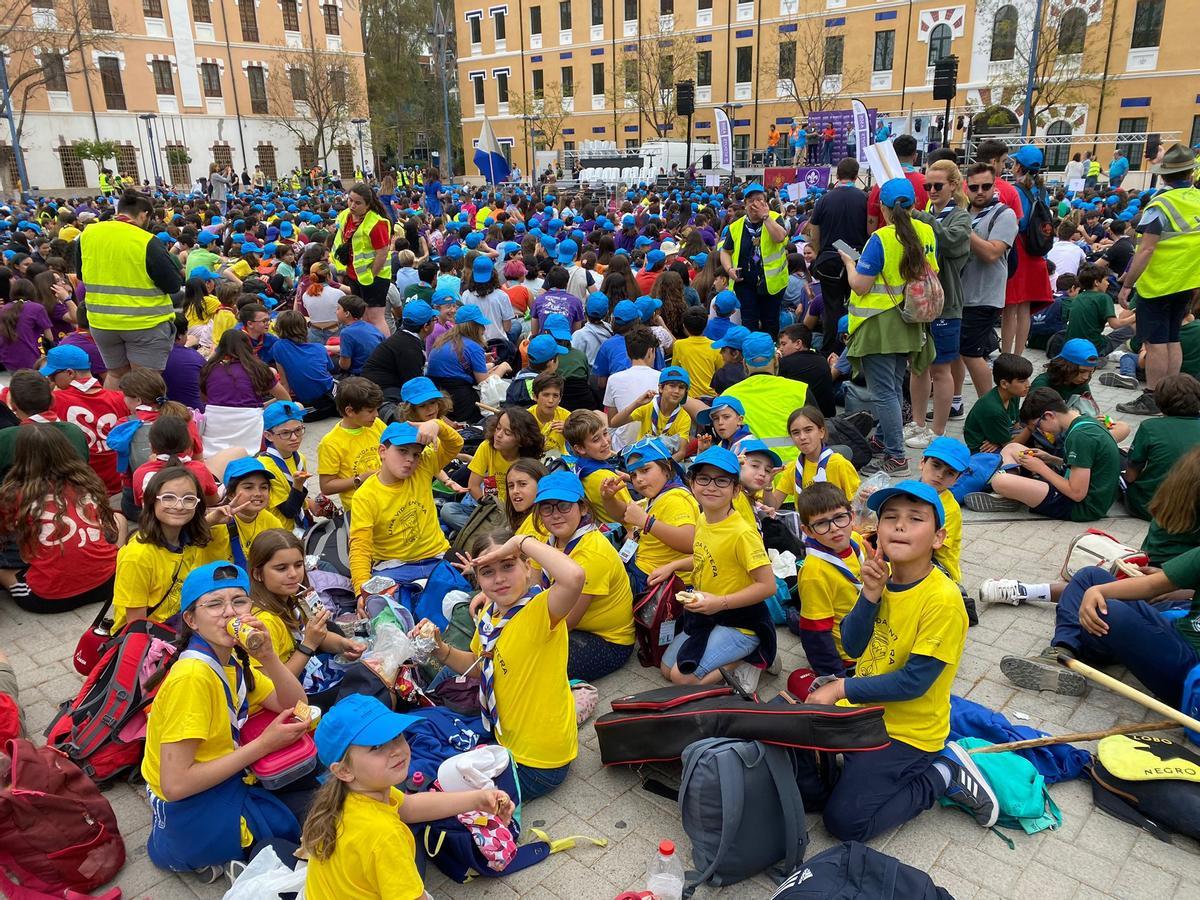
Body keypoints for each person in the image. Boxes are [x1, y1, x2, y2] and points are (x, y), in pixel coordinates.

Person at [805, 481, 993, 842]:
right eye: (890, 518)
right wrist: (870, 594)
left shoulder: (942, 600)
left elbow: (914, 682)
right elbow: (855, 646)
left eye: (914, 519)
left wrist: (840, 687)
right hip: (863, 713)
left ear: (938, 538)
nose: (899, 526)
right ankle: (860, 765)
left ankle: (943, 772)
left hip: (908, 733)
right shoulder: (883, 578)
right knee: (801, 770)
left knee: (844, 823)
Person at [141, 562, 310, 875]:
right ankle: (220, 859)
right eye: (215, 604)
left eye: (239, 601)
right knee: (313, 816)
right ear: (191, 620)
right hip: (189, 806)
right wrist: (264, 745)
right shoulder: (193, 677)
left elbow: (298, 705)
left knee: (316, 783)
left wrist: (269, 658)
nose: (230, 612)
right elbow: (176, 784)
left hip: (223, 776)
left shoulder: (233, 659)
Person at [420, 528, 585, 800]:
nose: (498, 579)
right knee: (433, 758)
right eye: (487, 572)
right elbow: (477, 663)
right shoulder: (491, 610)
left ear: (527, 566)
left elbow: (574, 577)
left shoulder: (540, 610)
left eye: (508, 566)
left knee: (445, 796)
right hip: (504, 737)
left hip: (539, 762)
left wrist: (520, 541)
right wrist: (440, 649)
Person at [302, 694, 512, 900]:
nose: (395, 750)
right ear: (344, 771)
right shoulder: (385, 835)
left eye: (396, 736)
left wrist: (478, 799)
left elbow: (408, 806)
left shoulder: (352, 793)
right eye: (376, 746)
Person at [996, 554, 1200, 708]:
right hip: (1177, 625)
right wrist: (1096, 591)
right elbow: (1150, 585)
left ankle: (1087, 644)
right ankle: (1062, 652)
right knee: (1090, 578)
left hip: (1191, 670)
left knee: (1108, 611)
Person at [650, 448, 776, 692]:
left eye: (721, 481)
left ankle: (753, 656)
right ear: (692, 483)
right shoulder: (703, 519)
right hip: (709, 614)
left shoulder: (742, 534)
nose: (711, 487)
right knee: (666, 669)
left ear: (735, 489)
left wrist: (721, 602)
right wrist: (673, 566)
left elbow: (767, 586)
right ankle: (731, 656)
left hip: (742, 621)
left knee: (682, 679)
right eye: (704, 479)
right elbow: (704, 557)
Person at [839, 177, 937, 477]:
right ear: (914, 204)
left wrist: (848, 262)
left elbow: (861, 284)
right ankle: (883, 440)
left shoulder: (881, 239)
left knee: (885, 393)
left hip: (879, 325)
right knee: (893, 388)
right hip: (910, 322)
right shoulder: (926, 231)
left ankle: (896, 457)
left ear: (883, 207)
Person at [520, 471, 636, 680]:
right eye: (547, 508)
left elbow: (568, 620)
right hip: (566, 621)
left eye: (564, 505)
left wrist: (522, 633)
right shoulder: (548, 537)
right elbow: (533, 585)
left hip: (607, 640)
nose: (556, 514)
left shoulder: (592, 553)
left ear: (582, 507)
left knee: (534, 667)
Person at [1114, 144, 1200, 416]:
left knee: (1155, 342)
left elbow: (1147, 248)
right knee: (1173, 338)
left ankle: (1153, 395)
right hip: (1187, 281)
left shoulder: (1160, 203)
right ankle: (1175, 396)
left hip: (1159, 282)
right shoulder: (1197, 199)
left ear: (1164, 176)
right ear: (1191, 173)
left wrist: (1128, 284)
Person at [0, 426, 119, 613]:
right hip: (110, 583)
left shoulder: (13, 493)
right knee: (118, 517)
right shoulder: (87, 479)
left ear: (21, 456)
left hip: (48, 599)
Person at [77, 190, 183, 389]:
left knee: (116, 374)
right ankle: (145, 420)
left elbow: (82, 275)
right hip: (144, 323)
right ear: (143, 215)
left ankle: (112, 418)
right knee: (145, 381)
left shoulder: (88, 234)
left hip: (102, 322)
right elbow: (172, 284)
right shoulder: (146, 241)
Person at [966, 387, 1120, 520]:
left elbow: (1077, 493)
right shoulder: (1083, 422)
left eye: (1037, 425)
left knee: (999, 481)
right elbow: (1085, 465)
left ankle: (1008, 494)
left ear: (1048, 415)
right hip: (1083, 491)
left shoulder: (1080, 437)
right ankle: (1009, 496)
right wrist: (1051, 459)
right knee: (1011, 448)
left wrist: (1040, 467)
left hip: (1081, 507)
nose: (1040, 431)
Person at [347, 419, 464, 595]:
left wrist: (437, 425)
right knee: (382, 610)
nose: (410, 459)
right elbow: (360, 546)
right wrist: (361, 590)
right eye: (402, 451)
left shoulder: (423, 467)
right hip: (393, 566)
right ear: (382, 451)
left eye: (416, 454)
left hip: (436, 556)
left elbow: (455, 444)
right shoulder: (365, 496)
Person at [111, 466, 232, 634]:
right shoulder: (137, 556)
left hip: (180, 626)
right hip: (151, 640)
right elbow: (136, 627)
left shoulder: (187, 540)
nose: (179, 505)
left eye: (188, 499)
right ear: (152, 501)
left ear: (197, 505)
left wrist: (214, 520)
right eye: (168, 498)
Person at [906, 159, 971, 449]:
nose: (931, 190)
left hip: (946, 305)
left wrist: (920, 218)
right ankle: (917, 423)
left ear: (954, 186)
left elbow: (951, 243)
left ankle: (938, 430)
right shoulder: (926, 215)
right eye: (927, 186)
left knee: (941, 369)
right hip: (919, 303)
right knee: (918, 367)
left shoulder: (960, 216)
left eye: (937, 185)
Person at [247, 528, 364, 680]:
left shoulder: (293, 600)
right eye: (281, 568)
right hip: (290, 693)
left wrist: (345, 645)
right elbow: (271, 687)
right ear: (258, 574)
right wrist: (308, 645)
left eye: (298, 565)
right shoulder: (263, 622)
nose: (293, 574)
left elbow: (318, 637)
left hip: (308, 675)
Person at [956, 164, 1019, 406]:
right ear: (966, 187)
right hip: (958, 294)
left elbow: (993, 252)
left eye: (986, 186)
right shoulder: (963, 211)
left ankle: (990, 408)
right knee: (956, 354)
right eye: (973, 187)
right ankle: (956, 400)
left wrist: (964, 231)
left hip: (984, 295)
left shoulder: (1004, 214)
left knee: (972, 354)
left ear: (995, 186)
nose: (979, 191)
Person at [791, 483, 864, 688]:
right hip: (848, 658)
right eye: (821, 523)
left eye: (840, 517)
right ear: (808, 531)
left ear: (851, 515)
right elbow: (815, 634)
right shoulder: (814, 572)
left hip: (871, 638)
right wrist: (835, 679)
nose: (834, 528)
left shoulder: (856, 540)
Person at [440, 408, 543, 532]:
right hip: (490, 507)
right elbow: (473, 486)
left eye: (507, 433)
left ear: (521, 440)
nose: (498, 435)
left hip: (516, 512)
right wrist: (489, 507)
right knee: (448, 510)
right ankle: (488, 534)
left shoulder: (528, 460)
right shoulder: (487, 447)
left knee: (513, 528)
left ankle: (476, 533)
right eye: (498, 428)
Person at [44, 344, 127, 495]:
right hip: (119, 484)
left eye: (52, 376)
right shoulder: (120, 398)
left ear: (70, 373)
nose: (52, 381)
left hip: (82, 488)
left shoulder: (55, 400)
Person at [807, 157, 868, 351]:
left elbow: (814, 230)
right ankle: (855, 348)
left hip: (830, 257)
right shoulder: (864, 198)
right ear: (856, 176)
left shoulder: (824, 199)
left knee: (832, 308)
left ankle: (831, 350)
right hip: (858, 258)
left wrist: (818, 252)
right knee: (857, 305)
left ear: (837, 175)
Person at [1124, 374, 1200, 520]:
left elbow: (1131, 476)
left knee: (1119, 460)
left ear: (1159, 402)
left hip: (1151, 507)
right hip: (1193, 511)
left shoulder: (1150, 427)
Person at [1001, 145, 1052, 356]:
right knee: (1025, 310)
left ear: (1019, 166)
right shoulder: (1042, 191)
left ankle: (1005, 355)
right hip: (1037, 253)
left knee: (1009, 309)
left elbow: (1016, 223)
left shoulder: (1015, 190)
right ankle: (1018, 355)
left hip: (1019, 250)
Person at [720, 183, 791, 335]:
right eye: (751, 200)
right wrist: (729, 269)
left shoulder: (775, 218)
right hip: (745, 284)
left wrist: (765, 216)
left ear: (765, 203)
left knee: (770, 322)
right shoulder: (736, 226)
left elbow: (780, 237)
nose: (755, 204)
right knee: (748, 322)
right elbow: (725, 251)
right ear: (745, 204)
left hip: (772, 283)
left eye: (759, 200)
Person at [426, 305, 509, 423]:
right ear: (474, 327)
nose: (484, 329)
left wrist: (486, 365)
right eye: (481, 325)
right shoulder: (474, 347)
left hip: (436, 395)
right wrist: (502, 367)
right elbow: (484, 384)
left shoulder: (443, 340)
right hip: (459, 400)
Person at [331, 183, 393, 337]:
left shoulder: (376, 223)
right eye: (350, 200)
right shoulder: (345, 215)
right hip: (354, 274)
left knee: (375, 318)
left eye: (358, 203)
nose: (352, 205)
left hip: (375, 277)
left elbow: (382, 253)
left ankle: (384, 349)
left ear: (368, 204)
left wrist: (372, 275)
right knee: (362, 316)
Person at [766, 406, 860, 507]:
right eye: (796, 433)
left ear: (821, 432)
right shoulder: (793, 468)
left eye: (808, 430)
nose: (802, 437)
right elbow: (773, 506)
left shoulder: (839, 463)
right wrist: (767, 484)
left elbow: (856, 504)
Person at [316, 376, 385, 513]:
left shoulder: (376, 424)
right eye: (370, 411)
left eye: (377, 409)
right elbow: (326, 487)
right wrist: (360, 479)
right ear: (350, 411)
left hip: (388, 497)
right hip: (361, 508)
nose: (376, 415)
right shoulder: (330, 443)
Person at [361, 300, 435, 416]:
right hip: (380, 393)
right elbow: (414, 385)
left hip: (375, 386)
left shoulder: (403, 338)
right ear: (426, 326)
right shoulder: (409, 348)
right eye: (434, 320)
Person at [608, 365, 692, 459]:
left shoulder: (684, 418)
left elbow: (681, 452)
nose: (676, 391)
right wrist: (637, 403)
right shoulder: (648, 406)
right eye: (672, 386)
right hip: (642, 457)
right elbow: (614, 423)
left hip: (668, 461)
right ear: (661, 388)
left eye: (681, 387)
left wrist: (662, 466)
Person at [564, 408, 632, 524]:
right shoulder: (608, 479)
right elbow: (632, 514)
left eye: (605, 433)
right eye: (596, 440)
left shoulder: (579, 466)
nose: (605, 442)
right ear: (580, 448)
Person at [602, 326, 663, 452]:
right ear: (651, 351)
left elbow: (611, 421)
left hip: (622, 447)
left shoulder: (614, 379)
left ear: (628, 353)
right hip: (654, 445)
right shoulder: (662, 378)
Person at [259, 401, 316, 531]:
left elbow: (301, 498)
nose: (294, 437)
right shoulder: (265, 467)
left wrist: (312, 503)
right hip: (281, 531)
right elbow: (289, 511)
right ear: (268, 436)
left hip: (303, 524)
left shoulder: (300, 458)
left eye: (298, 430)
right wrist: (297, 485)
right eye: (285, 433)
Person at [962, 352, 1033, 453]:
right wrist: (1030, 428)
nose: (1028, 385)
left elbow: (1016, 424)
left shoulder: (1014, 394)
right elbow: (1009, 447)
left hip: (1001, 436)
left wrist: (1001, 440)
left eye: (1027, 379)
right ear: (1004, 384)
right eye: (1022, 381)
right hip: (982, 448)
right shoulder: (993, 409)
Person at [1063, 262, 1135, 358]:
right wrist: (1135, 317)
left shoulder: (1077, 297)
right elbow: (1115, 325)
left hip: (1071, 347)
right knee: (1130, 328)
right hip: (1093, 347)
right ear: (1096, 282)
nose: (1108, 283)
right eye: (1106, 280)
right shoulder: (1103, 297)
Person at [865, 135, 928, 233]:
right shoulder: (929, 185)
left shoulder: (881, 184)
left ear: (893, 155)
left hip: (885, 243)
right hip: (920, 242)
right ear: (915, 156)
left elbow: (871, 228)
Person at [777, 324, 837, 415]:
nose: (780, 349)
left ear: (798, 344)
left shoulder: (784, 364)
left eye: (783, 344)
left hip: (801, 419)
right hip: (826, 418)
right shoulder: (822, 361)